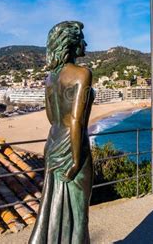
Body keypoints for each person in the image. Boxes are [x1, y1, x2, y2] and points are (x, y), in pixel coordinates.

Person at [29, 21, 94, 244]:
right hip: (73, 146)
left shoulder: (50, 78)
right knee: (78, 211)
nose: (85, 43)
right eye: (82, 39)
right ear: (71, 44)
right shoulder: (82, 74)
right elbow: (76, 121)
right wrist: (76, 161)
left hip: (53, 143)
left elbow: (51, 117)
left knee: (53, 205)